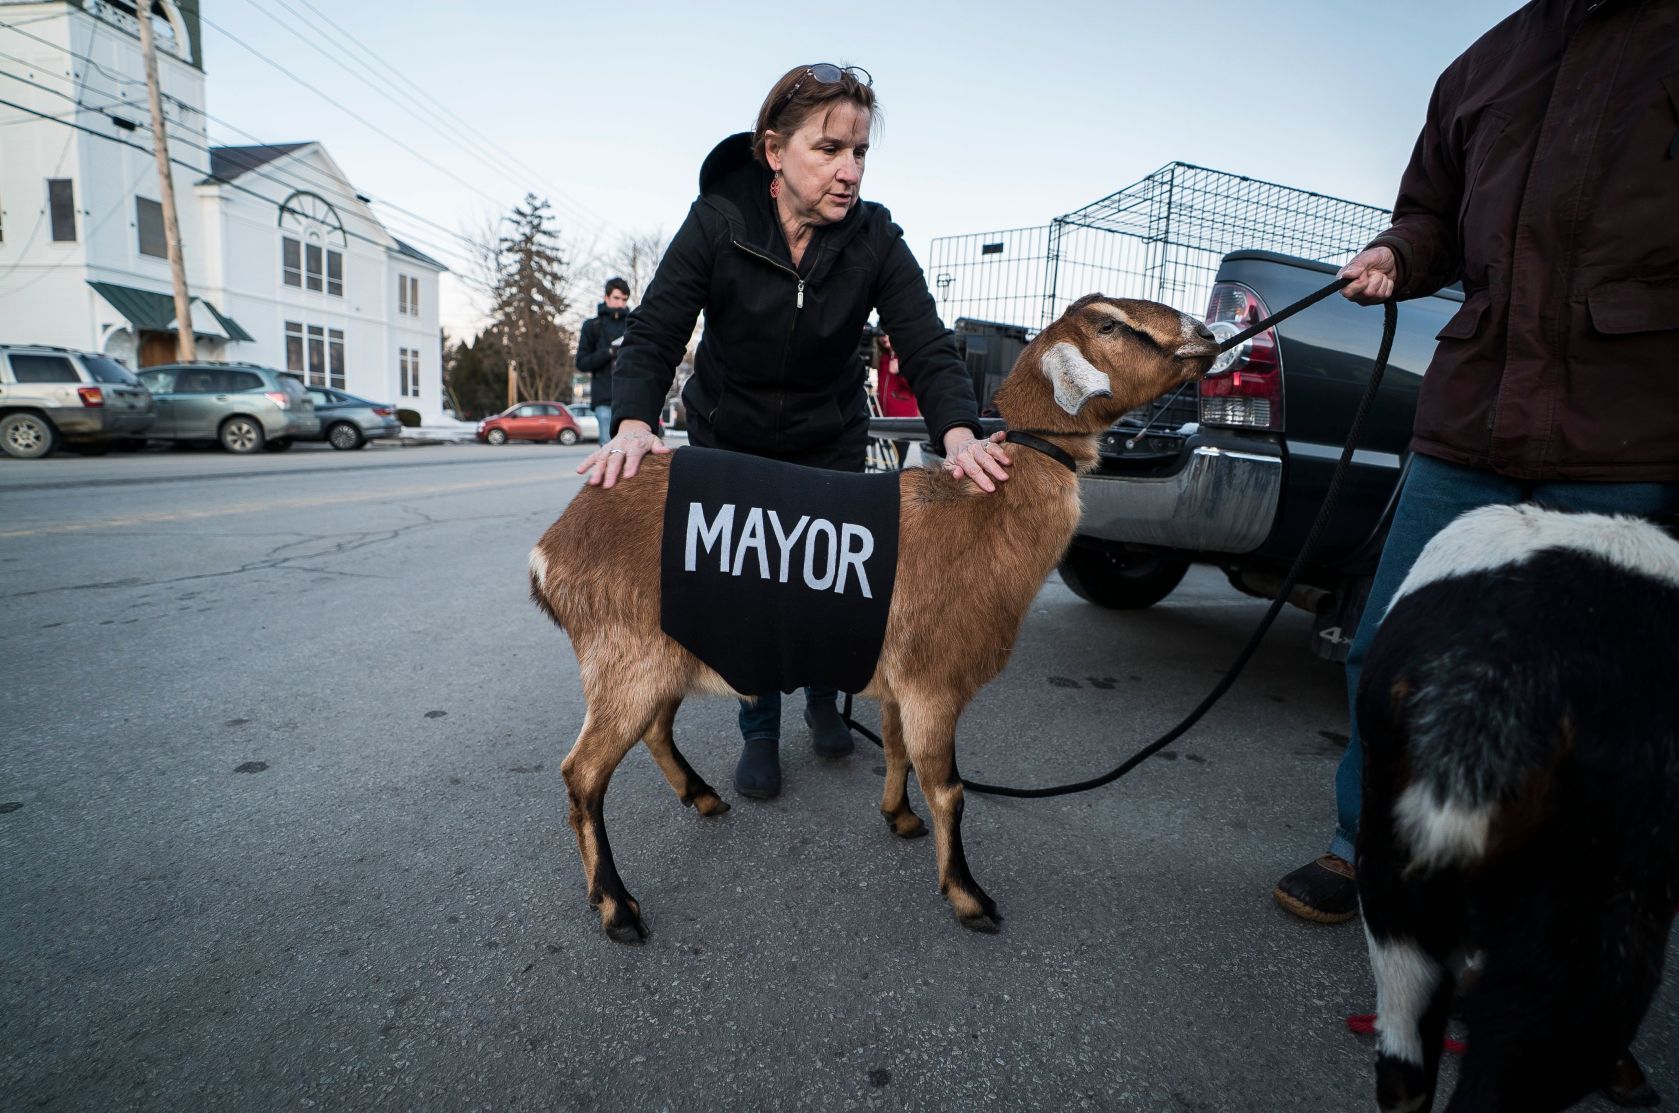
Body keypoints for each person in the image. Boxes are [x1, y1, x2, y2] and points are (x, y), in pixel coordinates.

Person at [1273, 0, 1679, 925]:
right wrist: (1393, 250)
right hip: (1469, 419)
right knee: (1390, 648)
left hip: (1627, 430)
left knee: (1596, 694)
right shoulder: (1481, 64)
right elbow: (1431, 218)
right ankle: (1364, 846)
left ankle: (1562, 908)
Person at [577, 63, 1014, 801]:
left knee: (832, 579)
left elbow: (927, 342)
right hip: (730, 431)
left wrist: (961, 433)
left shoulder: (874, 237)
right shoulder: (719, 220)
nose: (849, 172)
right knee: (746, 587)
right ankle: (759, 727)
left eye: (860, 153)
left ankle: (824, 696)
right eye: (829, 149)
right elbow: (654, 332)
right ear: (775, 152)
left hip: (826, 433)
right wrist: (630, 421)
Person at [576, 278, 631, 441]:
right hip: (604, 397)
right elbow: (582, 362)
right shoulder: (592, 326)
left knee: (631, 452)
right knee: (608, 449)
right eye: (616, 298)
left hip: (630, 396)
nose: (620, 303)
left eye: (624, 299)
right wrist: (608, 352)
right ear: (606, 297)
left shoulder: (634, 324)